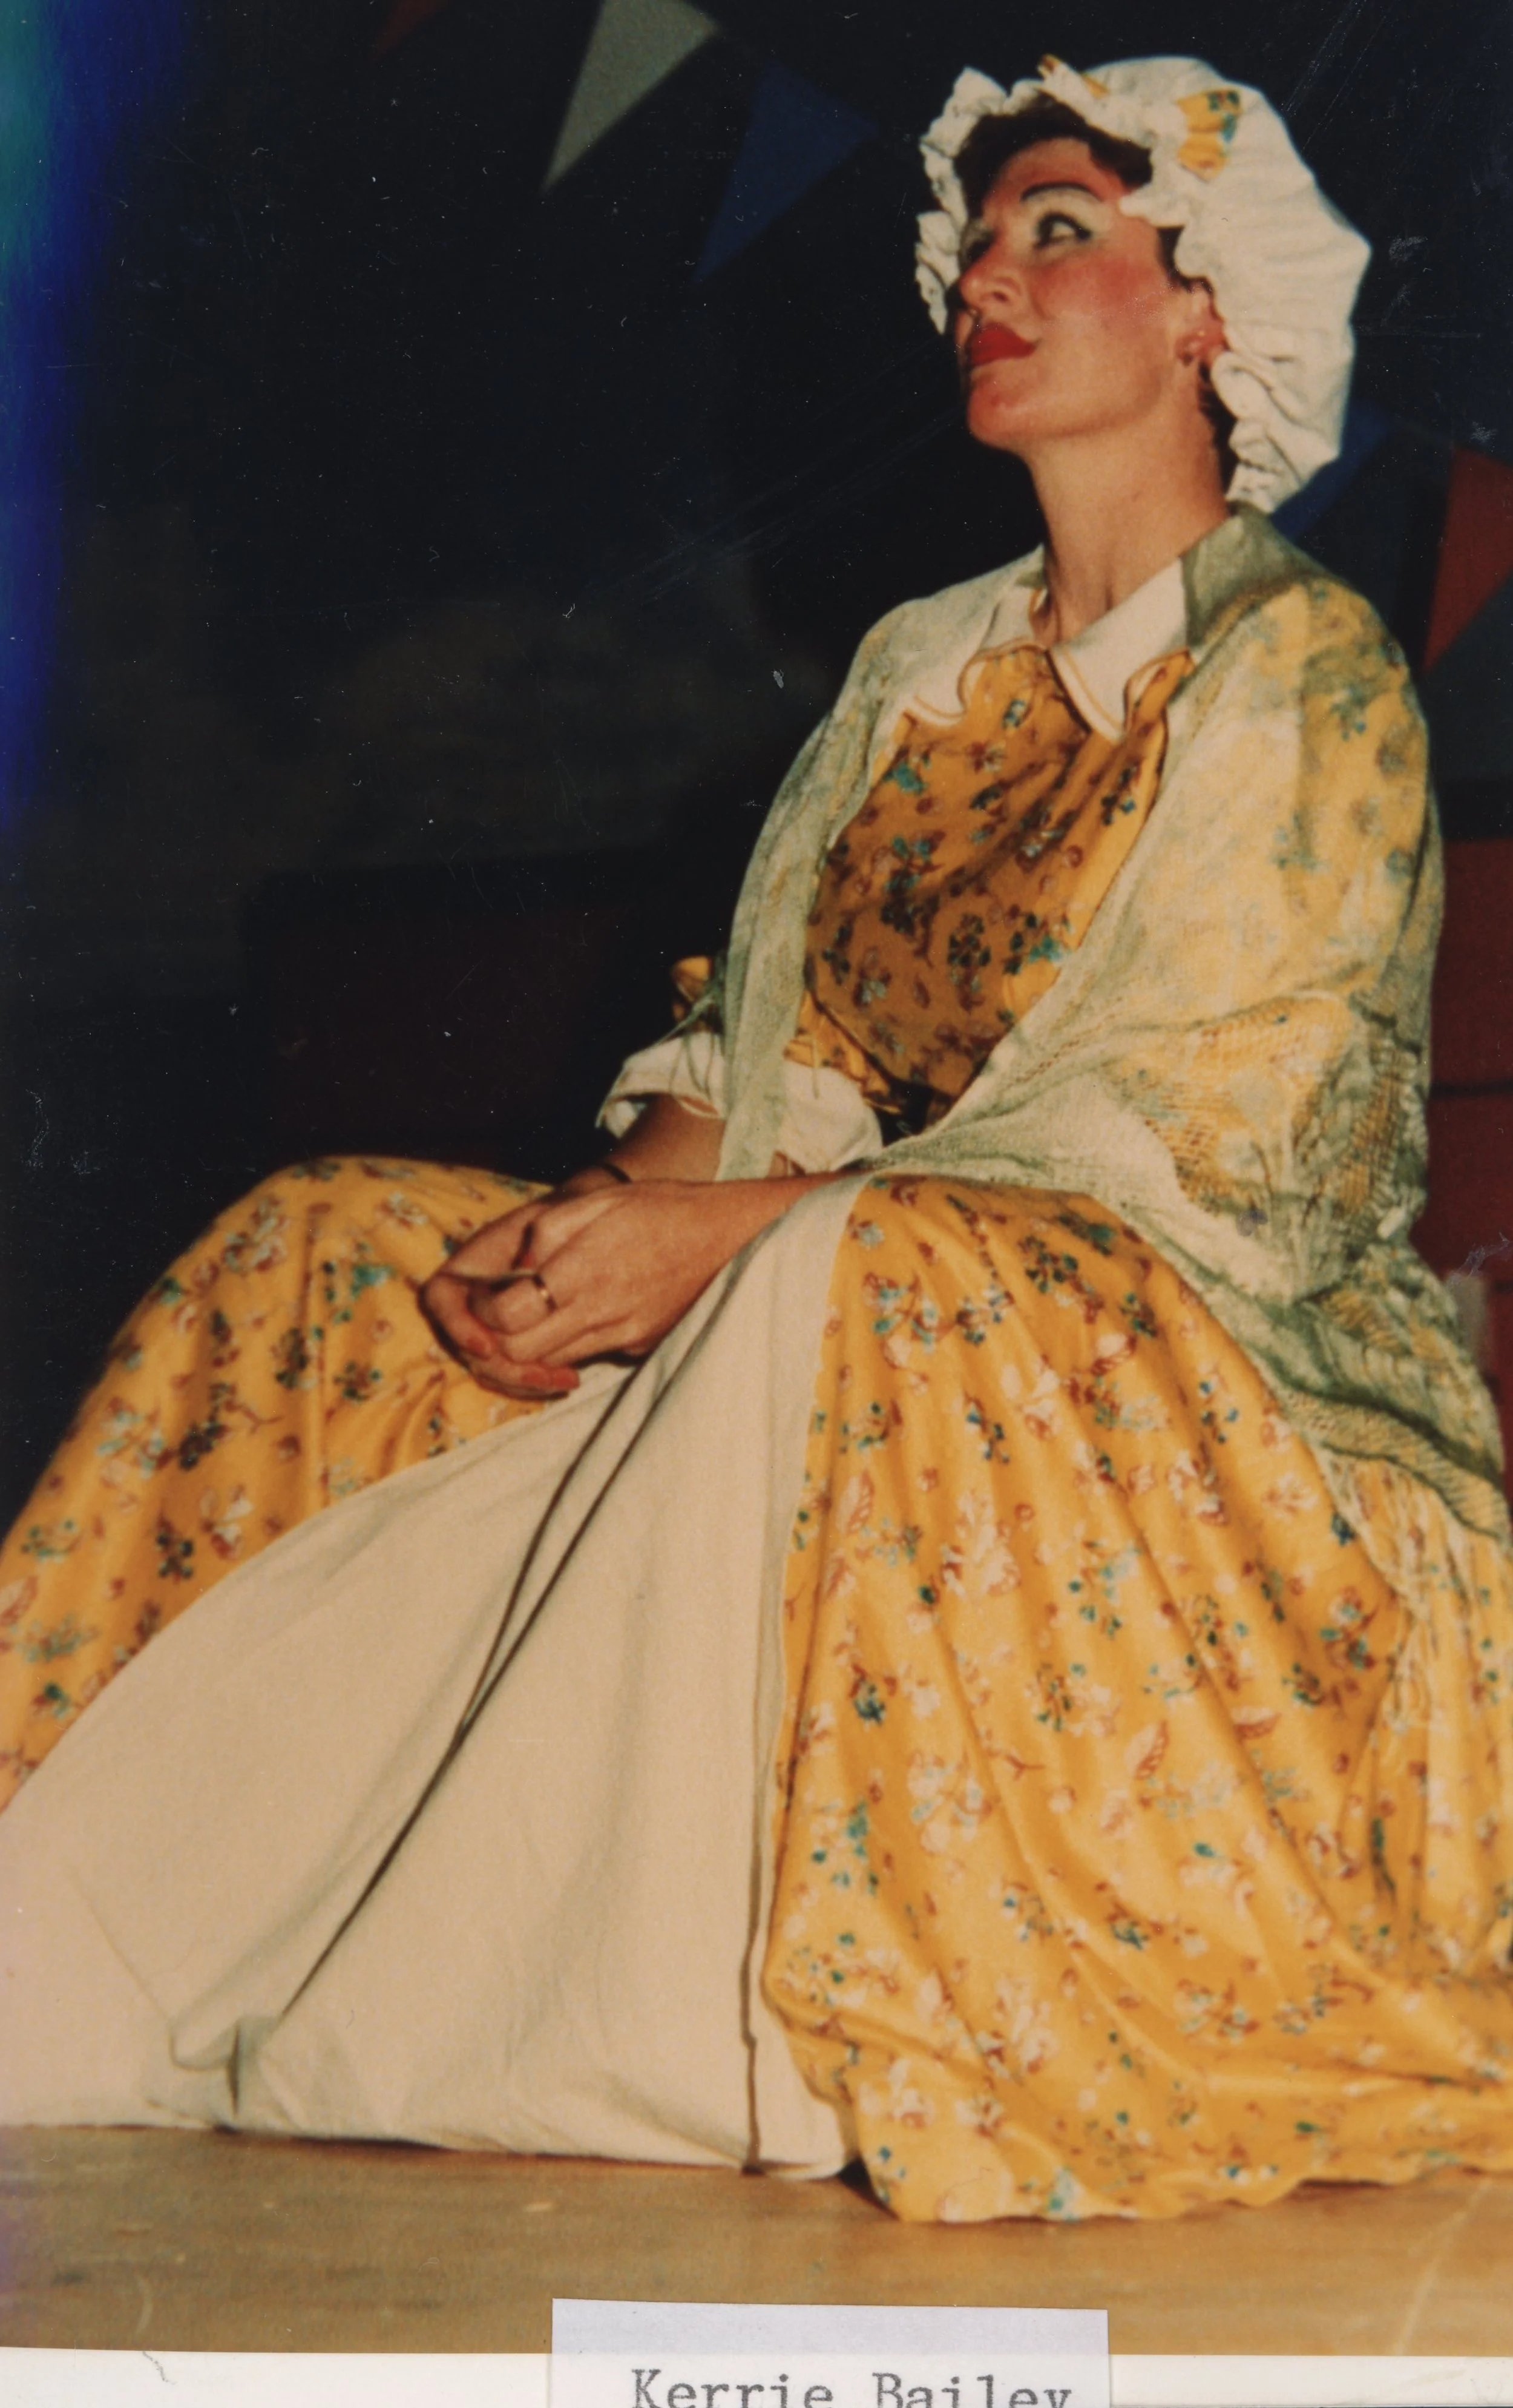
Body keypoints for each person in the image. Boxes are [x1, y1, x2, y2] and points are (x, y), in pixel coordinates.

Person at [1, 53, 1510, 2226]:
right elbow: (766, 1048)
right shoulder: (917, 667)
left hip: (1217, 1397)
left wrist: (726, 1246)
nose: (988, 276)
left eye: (1058, 232)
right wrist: (599, 1237)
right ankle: (97, 1935)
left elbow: (1196, 1137)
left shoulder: (1300, 671)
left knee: (865, 1268)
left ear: (1208, 310)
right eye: (977, 243)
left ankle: (687, 2009)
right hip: (858, 1274)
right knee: (326, 1249)